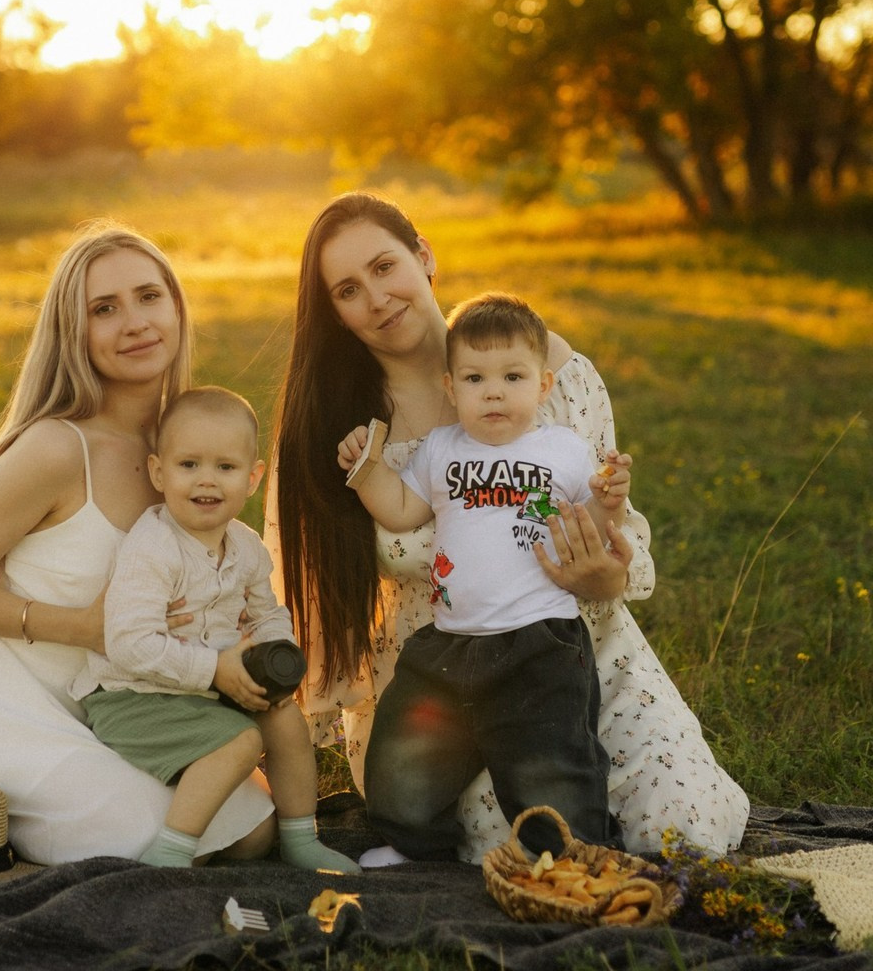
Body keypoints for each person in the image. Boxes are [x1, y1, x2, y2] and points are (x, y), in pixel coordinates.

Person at [266, 191, 749, 860]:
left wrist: (607, 572)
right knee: (515, 847)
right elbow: (289, 590)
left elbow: (619, 529)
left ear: (424, 253)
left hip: (579, 649)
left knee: (681, 832)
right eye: (348, 290)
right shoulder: (346, 427)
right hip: (439, 686)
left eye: (385, 267)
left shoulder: (544, 365)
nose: (376, 298)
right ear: (335, 314)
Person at [0, 223, 275, 866]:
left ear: (176, 307)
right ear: (76, 332)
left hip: (124, 711)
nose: (135, 322)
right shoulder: (56, 448)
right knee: (179, 843)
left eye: (149, 296)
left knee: (253, 827)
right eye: (105, 308)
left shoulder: (186, 451)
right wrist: (88, 628)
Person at [337, 292, 627, 860]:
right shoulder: (442, 450)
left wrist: (607, 501)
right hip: (450, 642)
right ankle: (413, 845)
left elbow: (586, 530)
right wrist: (366, 467)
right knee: (404, 753)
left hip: (540, 643)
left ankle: (569, 858)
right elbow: (400, 509)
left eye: (512, 376)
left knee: (552, 766)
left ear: (543, 386)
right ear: (451, 388)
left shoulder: (564, 451)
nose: (493, 391)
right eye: (474, 378)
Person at [73, 386, 359, 872]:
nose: (207, 481)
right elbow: (128, 644)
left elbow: (266, 613)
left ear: (251, 479)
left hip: (206, 687)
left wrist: (276, 654)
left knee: (285, 718)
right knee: (242, 741)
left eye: (225, 468)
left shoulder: (246, 547)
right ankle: (170, 854)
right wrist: (213, 670)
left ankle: (300, 836)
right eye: (189, 465)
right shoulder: (155, 547)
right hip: (132, 696)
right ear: (158, 471)